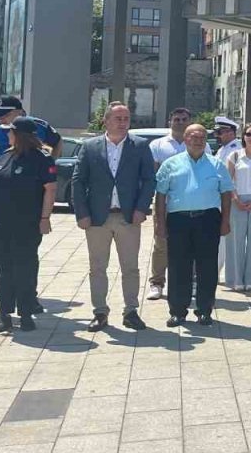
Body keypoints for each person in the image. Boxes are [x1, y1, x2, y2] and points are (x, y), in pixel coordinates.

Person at [0, 95, 61, 319]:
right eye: (1, 114)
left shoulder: (39, 127)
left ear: (19, 112)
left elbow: (57, 144)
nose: (2, 119)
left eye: (7, 114)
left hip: (27, 204)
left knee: (26, 258)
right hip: (0, 195)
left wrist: (47, 165)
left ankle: (28, 302)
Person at [71, 101, 155, 332]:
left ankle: (131, 311)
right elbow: (78, 181)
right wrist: (81, 213)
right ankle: (100, 312)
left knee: (130, 267)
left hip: (128, 217)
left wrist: (141, 208)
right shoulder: (90, 147)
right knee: (97, 267)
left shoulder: (139, 146)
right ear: (106, 121)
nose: (123, 123)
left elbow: (149, 179)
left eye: (126, 118)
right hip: (97, 218)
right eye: (117, 118)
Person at [0, 117, 56, 333]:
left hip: (27, 224)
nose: (7, 134)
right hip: (0, 222)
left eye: (10, 131)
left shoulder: (41, 159)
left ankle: (26, 312)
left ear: (20, 134)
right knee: (4, 268)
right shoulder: (5, 156)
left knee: (25, 268)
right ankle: (4, 314)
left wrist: (45, 218)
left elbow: (50, 190)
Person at [154, 124, 233, 327]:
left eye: (202, 138)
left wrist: (225, 221)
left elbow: (226, 194)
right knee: (179, 266)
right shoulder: (171, 164)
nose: (198, 141)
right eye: (194, 137)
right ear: (186, 139)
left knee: (207, 267)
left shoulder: (216, 165)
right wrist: (159, 224)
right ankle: (178, 312)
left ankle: (205, 310)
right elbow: (160, 196)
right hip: (178, 220)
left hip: (208, 220)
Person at [146, 108, 210, 302]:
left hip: (191, 204)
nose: (180, 122)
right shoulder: (158, 145)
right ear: (170, 121)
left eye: (184, 119)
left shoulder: (201, 145)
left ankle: (188, 282)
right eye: (177, 119)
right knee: (161, 244)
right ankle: (157, 283)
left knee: (190, 245)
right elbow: (153, 177)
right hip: (165, 203)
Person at [224, 124, 251, 293]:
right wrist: (235, 199)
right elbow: (227, 181)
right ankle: (236, 279)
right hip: (237, 201)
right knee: (235, 241)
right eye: (248, 134)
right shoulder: (234, 156)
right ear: (243, 136)